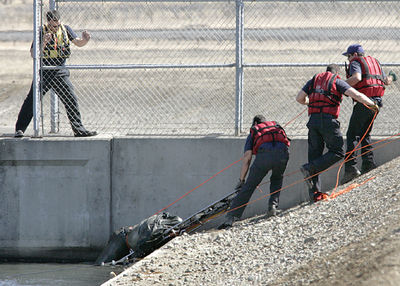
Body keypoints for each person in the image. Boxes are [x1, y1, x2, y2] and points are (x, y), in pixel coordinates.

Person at [296, 64, 378, 202]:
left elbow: (299, 98)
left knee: (314, 157)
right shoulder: (336, 81)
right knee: (338, 151)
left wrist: (311, 102)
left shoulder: (314, 80)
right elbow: (356, 94)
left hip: (313, 122)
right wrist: (372, 104)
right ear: (337, 73)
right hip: (328, 121)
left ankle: (314, 195)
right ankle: (309, 168)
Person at [14, 10, 97, 138]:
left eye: (57, 25)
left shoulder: (66, 29)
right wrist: (44, 42)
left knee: (71, 99)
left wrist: (85, 40)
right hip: (45, 71)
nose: (56, 27)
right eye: (53, 26)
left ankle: (79, 130)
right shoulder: (41, 31)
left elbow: (78, 42)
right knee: (32, 100)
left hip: (60, 71)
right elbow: (33, 53)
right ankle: (19, 129)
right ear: (48, 22)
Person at [218, 115, 290, 229]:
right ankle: (273, 207)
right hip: (283, 154)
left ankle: (230, 218)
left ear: (255, 123)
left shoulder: (255, 131)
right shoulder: (275, 127)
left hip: (264, 157)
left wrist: (241, 180)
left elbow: (247, 157)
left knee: (249, 187)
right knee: (277, 178)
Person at [341, 44, 396, 183]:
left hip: (364, 102)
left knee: (352, 134)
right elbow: (386, 81)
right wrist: (392, 76)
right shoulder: (374, 62)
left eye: (348, 56)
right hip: (376, 104)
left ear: (353, 55)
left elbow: (357, 78)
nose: (348, 60)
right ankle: (368, 163)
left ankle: (351, 168)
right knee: (365, 133)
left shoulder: (355, 63)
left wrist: (339, 85)